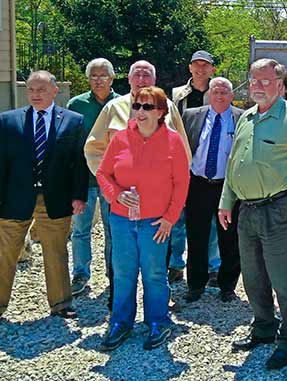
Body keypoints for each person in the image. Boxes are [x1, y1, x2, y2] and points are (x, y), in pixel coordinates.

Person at [219, 59, 287, 370]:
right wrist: (226, 200)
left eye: (265, 80)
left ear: (281, 86)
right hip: (247, 210)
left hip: (281, 211)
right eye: (254, 79)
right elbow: (233, 162)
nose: (257, 85)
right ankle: (264, 328)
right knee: (253, 278)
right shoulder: (248, 118)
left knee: (285, 281)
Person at [0, 71, 88, 331]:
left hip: (56, 199)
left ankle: (61, 303)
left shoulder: (74, 121)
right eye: (31, 89)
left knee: (56, 252)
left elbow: (79, 163)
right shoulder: (9, 120)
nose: (36, 94)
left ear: (54, 91)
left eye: (41, 89)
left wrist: (78, 196)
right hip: (13, 199)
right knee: (6, 254)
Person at [84, 60, 191, 310]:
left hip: (157, 204)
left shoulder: (168, 108)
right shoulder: (113, 108)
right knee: (119, 256)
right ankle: (118, 302)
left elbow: (182, 154)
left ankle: (158, 307)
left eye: (147, 74)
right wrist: (112, 186)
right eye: (137, 74)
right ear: (128, 79)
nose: (142, 79)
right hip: (121, 202)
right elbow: (94, 149)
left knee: (156, 259)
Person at [96, 86, 190, 351]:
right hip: (122, 220)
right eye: (137, 106)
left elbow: (182, 183)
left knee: (155, 274)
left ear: (161, 112)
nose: (140, 112)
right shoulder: (120, 139)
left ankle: (158, 321)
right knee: (123, 273)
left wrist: (170, 219)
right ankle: (121, 322)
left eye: (147, 107)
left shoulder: (173, 141)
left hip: (155, 223)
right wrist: (115, 195)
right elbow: (103, 173)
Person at [181, 77, 244, 303]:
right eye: (215, 92)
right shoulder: (191, 116)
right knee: (196, 235)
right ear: (208, 94)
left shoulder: (242, 118)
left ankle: (227, 286)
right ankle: (195, 285)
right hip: (197, 184)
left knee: (230, 238)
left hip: (228, 186)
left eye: (224, 92)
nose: (219, 96)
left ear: (232, 95)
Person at [67, 58, 120, 296]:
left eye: (103, 75)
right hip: (83, 179)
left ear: (112, 78)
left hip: (114, 179)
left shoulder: (122, 104)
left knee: (113, 228)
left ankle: (113, 274)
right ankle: (80, 274)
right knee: (80, 229)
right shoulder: (76, 104)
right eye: (93, 76)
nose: (98, 80)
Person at [169, 50, 221, 287]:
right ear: (190, 68)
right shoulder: (177, 95)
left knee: (210, 219)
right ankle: (176, 264)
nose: (201, 69)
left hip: (207, 167)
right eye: (196, 65)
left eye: (205, 65)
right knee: (177, 217)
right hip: (181, 164)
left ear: (212, 69)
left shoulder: (219, 94)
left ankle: (213, 266)